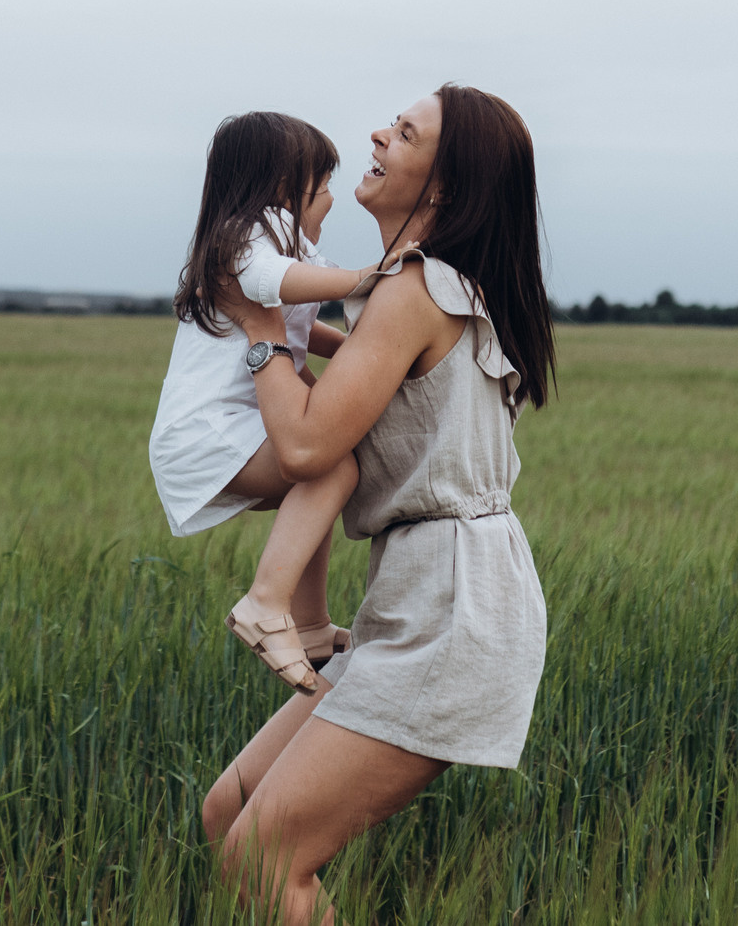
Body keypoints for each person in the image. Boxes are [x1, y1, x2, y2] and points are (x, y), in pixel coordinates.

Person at [202, 85, 557, 926]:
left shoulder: (418, 289)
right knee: (229, 816)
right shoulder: (406, 288)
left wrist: (258, 327)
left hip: (455, 607)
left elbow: (305, 447)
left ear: (444, 183)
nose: (377, 134)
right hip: (416, 595)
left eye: (405, 132)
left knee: (266, 855)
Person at [151, 111, 394, 694]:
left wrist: (371, 350)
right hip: (209, 432)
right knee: (331, 465)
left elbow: (301, 335)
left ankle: (309, 625)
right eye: (326, 184)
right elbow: (269, 284)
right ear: (284, 189)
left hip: (232, 428)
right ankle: (266, 602)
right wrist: (371, 276)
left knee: (323, 473)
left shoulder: (287, 250)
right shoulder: (244, 240)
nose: (332, 199)